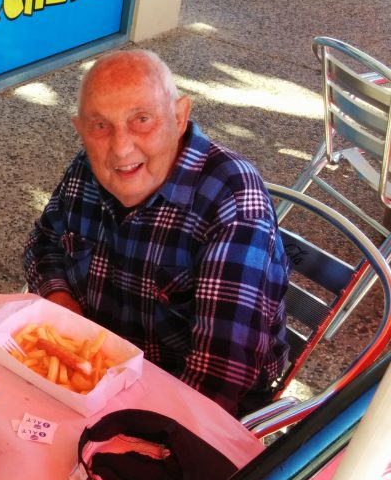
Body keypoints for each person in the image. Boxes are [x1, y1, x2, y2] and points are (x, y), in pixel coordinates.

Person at [23, 49, 289, 416]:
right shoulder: (87, 166)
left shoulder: (233, 201)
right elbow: (44, 242)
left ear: (179, 118)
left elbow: (218, 379)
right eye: (100, 126)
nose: (120, 148)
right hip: (98, 376)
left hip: (190, 398)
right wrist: (62, 307)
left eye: (142, 120)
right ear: (80, 129)